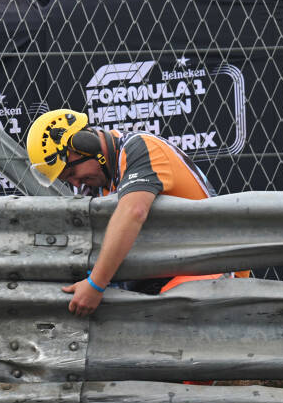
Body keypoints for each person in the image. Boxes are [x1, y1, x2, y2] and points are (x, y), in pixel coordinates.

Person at [26, 108, 246, 317]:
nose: (75, 182)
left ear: (86, 144)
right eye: (68, 180)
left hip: (216, 268)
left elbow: (133, 211)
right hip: (179, 270)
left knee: (156, 321)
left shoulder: (139, 148)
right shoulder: (103, 184)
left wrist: (95, 284)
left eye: (73, 172)